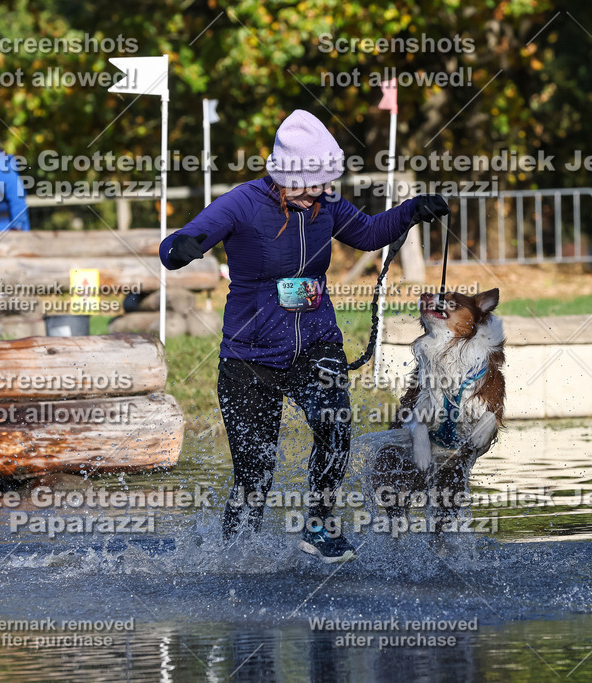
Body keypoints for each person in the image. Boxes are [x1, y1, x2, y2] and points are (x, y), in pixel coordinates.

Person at [159, 109, 449, 563]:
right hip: (249, 357)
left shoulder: (327, 204)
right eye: (308, 183)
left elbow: (370, 233)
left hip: (316, 345)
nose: (317, 192)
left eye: (322, 183)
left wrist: (413, 210)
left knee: (335, 428)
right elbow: (181, 240)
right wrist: (180, 248)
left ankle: (320, 527)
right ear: (281, 174)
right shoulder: (242, 203)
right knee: (254, 474)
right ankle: (234, 556)